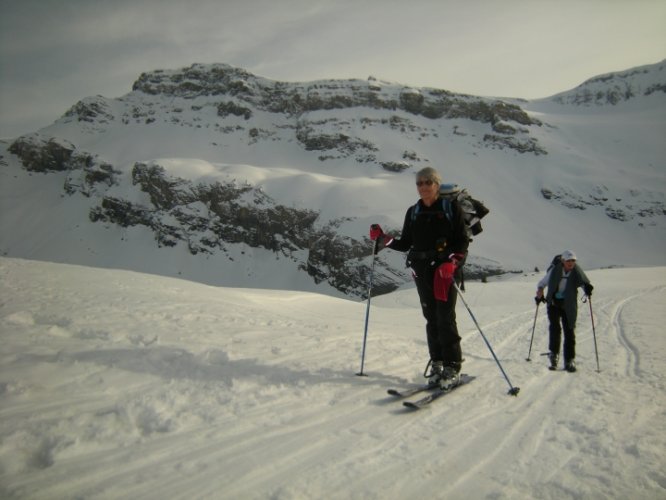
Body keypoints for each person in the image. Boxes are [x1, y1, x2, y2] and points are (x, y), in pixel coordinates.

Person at [369, 166, 469, 389]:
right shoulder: (413, 211)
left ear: (437, 185)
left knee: (445, 317)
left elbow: (462, 241)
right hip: (421, 270)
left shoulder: (451, 208)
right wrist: (384, 239)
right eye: (419, 183)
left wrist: (452, 263)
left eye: (428, 182)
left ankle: (452, 366)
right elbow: (405, 243)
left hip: (443, 271)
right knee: (431, 317)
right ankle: (437, 362)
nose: (423, 186)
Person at [535, 250, 593, 372]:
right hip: (554, 304)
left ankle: (569, 360)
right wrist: (540, 291)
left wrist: (587, 288)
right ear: (563, 261)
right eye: (568, 261)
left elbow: (583, 283)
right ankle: (554, 354)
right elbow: (542, 283)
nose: (571, 263)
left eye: (573, 261)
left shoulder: (577, 272)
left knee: (569, 331)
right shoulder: (554, 271)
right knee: (555, 329)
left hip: (569, 305)